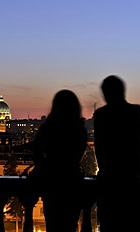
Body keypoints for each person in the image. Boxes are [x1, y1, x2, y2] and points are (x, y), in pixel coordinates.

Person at [93, 75, 140, 231]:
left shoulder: (101, 115)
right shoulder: (137, 112)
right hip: (132, 182)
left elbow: (100, 149)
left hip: (109, 183)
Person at [31, 89, 87, 232]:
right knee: (70, 225)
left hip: (52, 182)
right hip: (72, 182)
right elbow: (78, 156)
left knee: (52, 224)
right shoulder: (80, 129)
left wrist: (44, 166)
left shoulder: (47, 128)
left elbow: (36, 152)